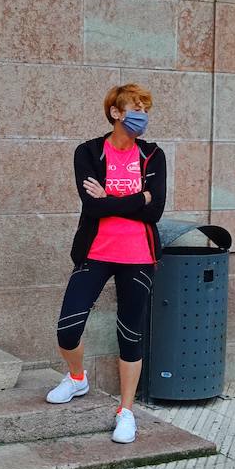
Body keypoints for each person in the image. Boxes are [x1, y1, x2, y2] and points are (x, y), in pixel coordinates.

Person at [46, 84, 167, 444]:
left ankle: (126, 412)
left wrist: (112, 196)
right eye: (135, 108)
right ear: (115, 112)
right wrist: (137, 197)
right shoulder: (88, 152)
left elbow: (156, 209)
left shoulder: (153, 155)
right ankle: (77, 378)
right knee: (68, 326)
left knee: (130, 334)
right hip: (96, 251)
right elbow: (92, 205)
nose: (141, 116)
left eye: (146, 109)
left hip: (139, 256)